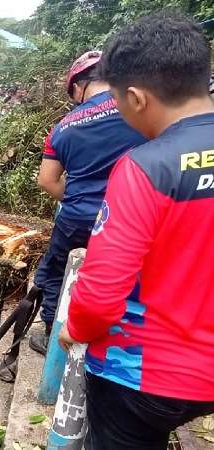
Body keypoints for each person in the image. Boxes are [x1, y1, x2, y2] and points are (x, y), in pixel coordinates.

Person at [57, 14, 214, 450]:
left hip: (145, 376)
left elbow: (102, 291)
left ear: (137, 98)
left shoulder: (147, 167)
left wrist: (78, 327)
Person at [28, 50, 147, 356]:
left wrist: (79, 197)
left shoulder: (62, 128)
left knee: (54, 275)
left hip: (76, 220)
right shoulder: (139, 108)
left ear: (78, 86)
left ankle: (55, 338)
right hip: (133, 217)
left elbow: (47, 180)